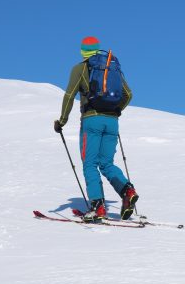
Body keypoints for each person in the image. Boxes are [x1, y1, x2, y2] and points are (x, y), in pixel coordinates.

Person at [54, 36, 138, 222]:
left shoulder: (81, 68)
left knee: (90, 163)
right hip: (112, 122)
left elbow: (69, 95)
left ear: (83, 51)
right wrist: (115, 110)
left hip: (91, 120)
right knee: (106, 163)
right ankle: (127, 191)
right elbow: (128, 94)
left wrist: (62, 121)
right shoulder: (111, 67)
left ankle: (98, 207)